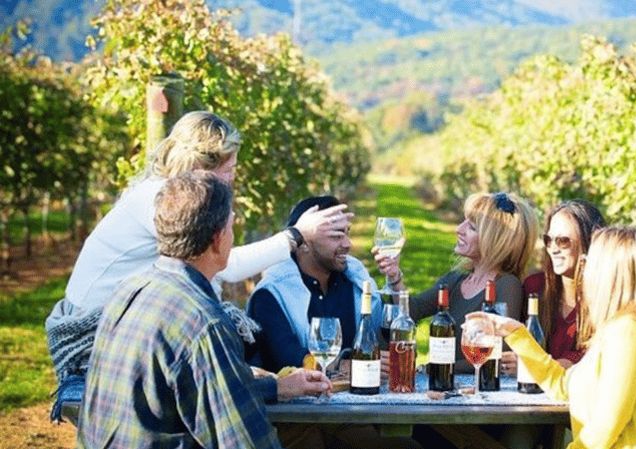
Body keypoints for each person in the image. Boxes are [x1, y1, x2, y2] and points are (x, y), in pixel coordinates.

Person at [45, 111, 348, 419]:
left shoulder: (167, 193)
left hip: (130, 319)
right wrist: (296, 235)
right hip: (96, 332)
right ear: (200, 167)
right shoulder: (161, 199)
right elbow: (224, 264)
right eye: (228, 170)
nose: (232, 179)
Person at [78, 171, 331, 448]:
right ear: (217, 239)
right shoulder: (203, 323)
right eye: (232, 227)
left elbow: (194, 391)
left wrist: (278, 387)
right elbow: (244, 440)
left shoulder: (129, 291)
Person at [470, 226, 636, 448]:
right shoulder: (625, 329)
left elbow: (604, 429)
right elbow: (562, 385)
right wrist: (516, 333)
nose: (585, 272)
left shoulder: (628, 334)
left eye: (590, 263)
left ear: (611, 275)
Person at [247, 196, 421, 449]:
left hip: (346, 414)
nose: (348, 244)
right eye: (337, 236)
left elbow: (390, 332)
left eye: (347, 233)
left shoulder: (354, 282)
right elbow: (288, 358)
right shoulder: (271, 293)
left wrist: (394, 281)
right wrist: (345, 363)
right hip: (292, 418)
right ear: (303, 244)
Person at [374, 192, 537, 374]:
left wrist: (429, 368)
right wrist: (395, 276)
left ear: (495, 241)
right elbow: (412, 311)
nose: (459, 229)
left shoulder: (507, 285)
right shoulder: (457, 279)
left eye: (472, 227)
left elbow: (496, 356)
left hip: (476, 388)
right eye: (463, 221)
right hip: (446, 383)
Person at [501, 199, 605, 376]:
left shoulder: (606, 296)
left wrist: (535, 366)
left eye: (563, 241)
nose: (553, 249)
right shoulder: (535, 288)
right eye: (548, 240)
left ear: (589, 242)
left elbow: (596, 359)